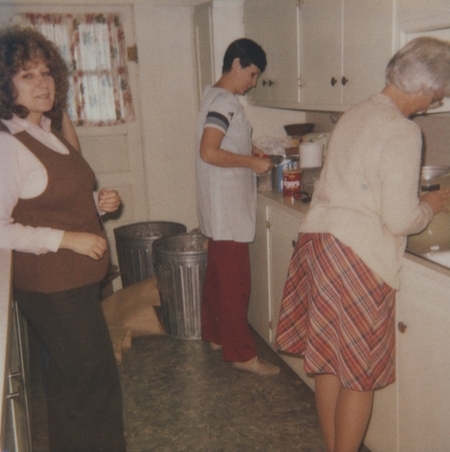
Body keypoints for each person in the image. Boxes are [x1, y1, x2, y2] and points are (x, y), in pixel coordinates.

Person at [275, 36, 450, 452]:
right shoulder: (403, 131)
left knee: (331, 366)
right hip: (357, 258)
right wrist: (429, 205)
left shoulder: (354, 113)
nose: (437, 100)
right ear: (425, 88)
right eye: (440, 91)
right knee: (360, 373)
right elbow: (400, 218)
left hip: (318, 248)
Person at [0, 27, 126, 451]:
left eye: (46, 72)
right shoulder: (7, 143)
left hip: (73, 284)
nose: (43, 83)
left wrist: (97, 202)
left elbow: (48, 196)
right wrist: (67, 239)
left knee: (77, 381)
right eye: (27, 75)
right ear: (5, 84)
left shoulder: (44, 129)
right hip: (52, 287)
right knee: (91, 381)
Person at [195, 38, 279, 376]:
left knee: (217, 276)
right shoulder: (226, 101)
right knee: (235, 282)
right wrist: (251, 163)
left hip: (217, 205)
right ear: (237, 64)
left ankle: (215, 335)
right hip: (227, 205)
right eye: (253, 73)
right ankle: (242, 354)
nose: (253, 82)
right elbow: (209, 152)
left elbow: (221, 139)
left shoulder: (211, 96)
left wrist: (250, 148)